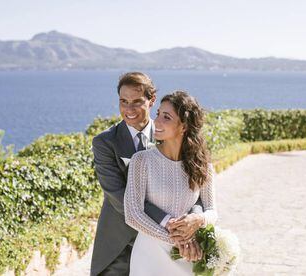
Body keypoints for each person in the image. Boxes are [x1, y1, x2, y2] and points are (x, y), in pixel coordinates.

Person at [90, 73, 204, 276]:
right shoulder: (104, 143)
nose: (128, 109)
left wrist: (193, 220)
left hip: (167, 247)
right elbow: (119, 197)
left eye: (136, 102)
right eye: (123, 102)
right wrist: (169, 224)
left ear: (151, 101)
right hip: (120, 247)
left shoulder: (170, 133)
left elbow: (193, 187)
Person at [124, 91, 218, 275]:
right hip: (150, 256)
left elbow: (212, 211)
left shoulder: (202, 165)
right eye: (158, 114)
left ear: (183, 126)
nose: (156, 122)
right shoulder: (141, 160)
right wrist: (177, 240)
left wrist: (199, 220)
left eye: (166, 117)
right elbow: (132, 214)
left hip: (187, 256)